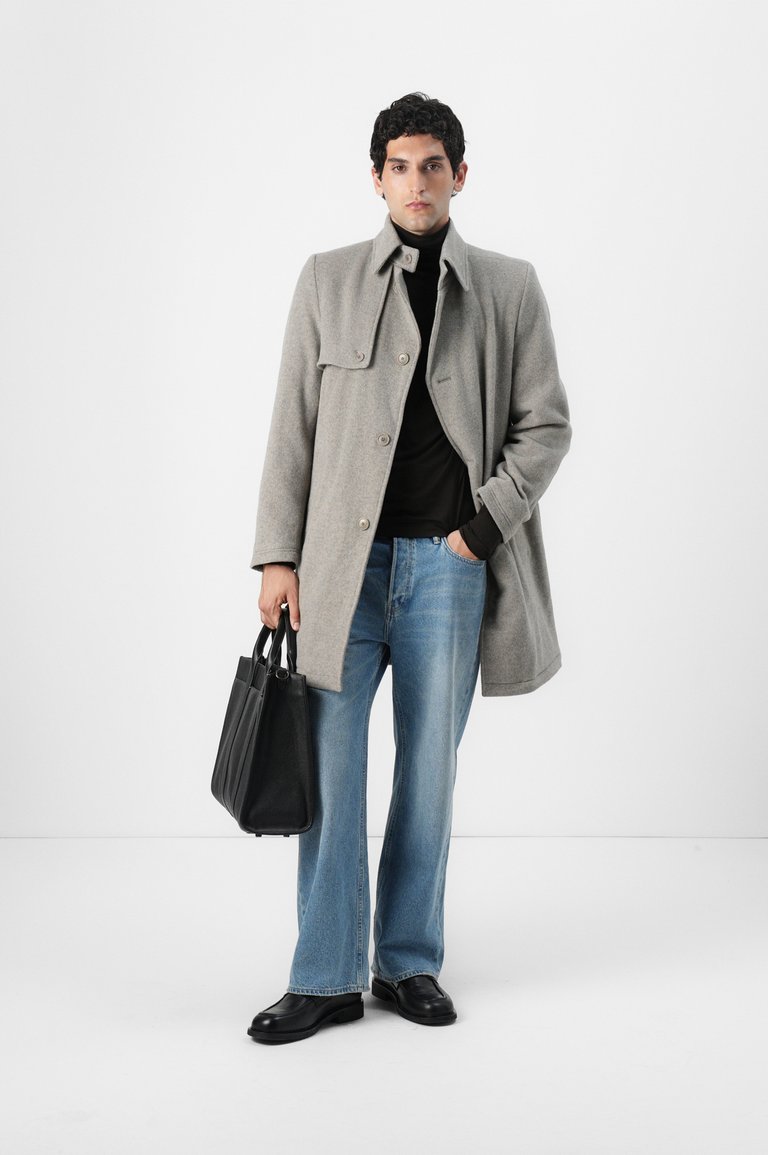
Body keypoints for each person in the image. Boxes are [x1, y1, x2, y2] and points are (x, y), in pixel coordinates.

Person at [246, 92, 572, 1045]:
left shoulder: (509, 287)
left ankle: (407, 961)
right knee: (330, 772)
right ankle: (324, 976)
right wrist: (277, 555)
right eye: (400, 166)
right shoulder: (327, 280)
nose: (417, 182)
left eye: (433, 165)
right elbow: (291, 427)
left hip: (448, 570)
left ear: (459, 176)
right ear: (377, 178)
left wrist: (479, 529)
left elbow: (546, 425)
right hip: (338, 573)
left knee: (429, 774)